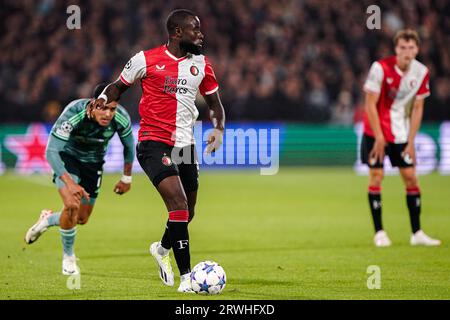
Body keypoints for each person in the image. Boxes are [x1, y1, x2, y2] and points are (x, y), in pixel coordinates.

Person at [91, 9, 226, 292]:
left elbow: (214, 104)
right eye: (195, 30)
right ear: (177, 32)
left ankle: (162, 249)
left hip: (185, 144)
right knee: (177, 204)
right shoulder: (145, 59)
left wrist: (218, 128)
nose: (201, 35)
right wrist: (102, 99)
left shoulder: (202, 64)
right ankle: (187, 278)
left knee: (188, 212)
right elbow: (117, 87)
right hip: (154, 142)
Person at [24, 84, 135, 275]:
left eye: (112, 109)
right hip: (68, 160)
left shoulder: (121, 117)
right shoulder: (74, 113)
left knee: (81, 219)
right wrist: (70, 183)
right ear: (93, 105)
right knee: (71, 205)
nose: (108, 114)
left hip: (94, 165)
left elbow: (129, 146)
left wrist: (126, 177)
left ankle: (48, 220)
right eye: (103, 108)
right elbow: (51, 152)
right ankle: (68, 258)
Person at [361, 29, 441, 247]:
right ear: (396, 49)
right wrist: (378, 136)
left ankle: (417, 233)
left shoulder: (421, 72)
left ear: (417, 49)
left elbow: (417, 107)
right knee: (376, 177)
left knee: (412, 179)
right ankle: (379, 233)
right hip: (374, 131)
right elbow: (369, 104)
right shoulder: (380, 68)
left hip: (400, 132)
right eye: (403, 47)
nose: (407, 51)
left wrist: (411, 141)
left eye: (411, 47)